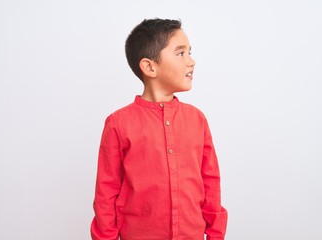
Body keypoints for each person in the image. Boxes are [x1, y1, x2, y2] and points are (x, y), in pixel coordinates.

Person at [91, 18, 228, 240]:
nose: (191, 61)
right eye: (181, 53)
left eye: (190, 52)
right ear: (150, 67)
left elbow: (211, 182)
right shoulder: (118, 123)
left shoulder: (197, 119)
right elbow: (106, 192)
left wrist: (215, 235)